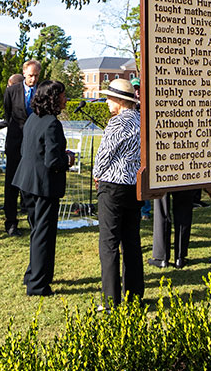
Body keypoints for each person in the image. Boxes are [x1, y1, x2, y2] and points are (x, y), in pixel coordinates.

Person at [14, 80, 72, 296]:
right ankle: (37, 285)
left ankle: (34, 274)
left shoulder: (32, 119)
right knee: (43, 234)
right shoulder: (52, 124)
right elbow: (52, 161)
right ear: (54, 98)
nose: (66, 99)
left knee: (36, 232)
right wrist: (68, 159)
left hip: (26, 182)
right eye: (63, 95)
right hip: (43, 185)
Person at [93, 78, 145, 306]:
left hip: (112, 186)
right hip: (133, 186)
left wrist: (96, 174)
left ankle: (110, 299)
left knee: (109, 243)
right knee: (132, 241)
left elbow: (104, 157)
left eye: (108, 98)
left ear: (119, 100)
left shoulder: (117, 123)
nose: (106, 102)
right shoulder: (142, 120)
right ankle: (134, 295)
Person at [0, 60, 42, 237]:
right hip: (15, 143)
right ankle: (11, 222)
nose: (33, 79)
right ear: (24, 74)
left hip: (34, 144)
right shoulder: (12, 91)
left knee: (31, 184)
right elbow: (8, 115)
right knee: (12, 184)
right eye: (30, 76)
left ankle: (33, 221)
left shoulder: (41, 90)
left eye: (36, 75)